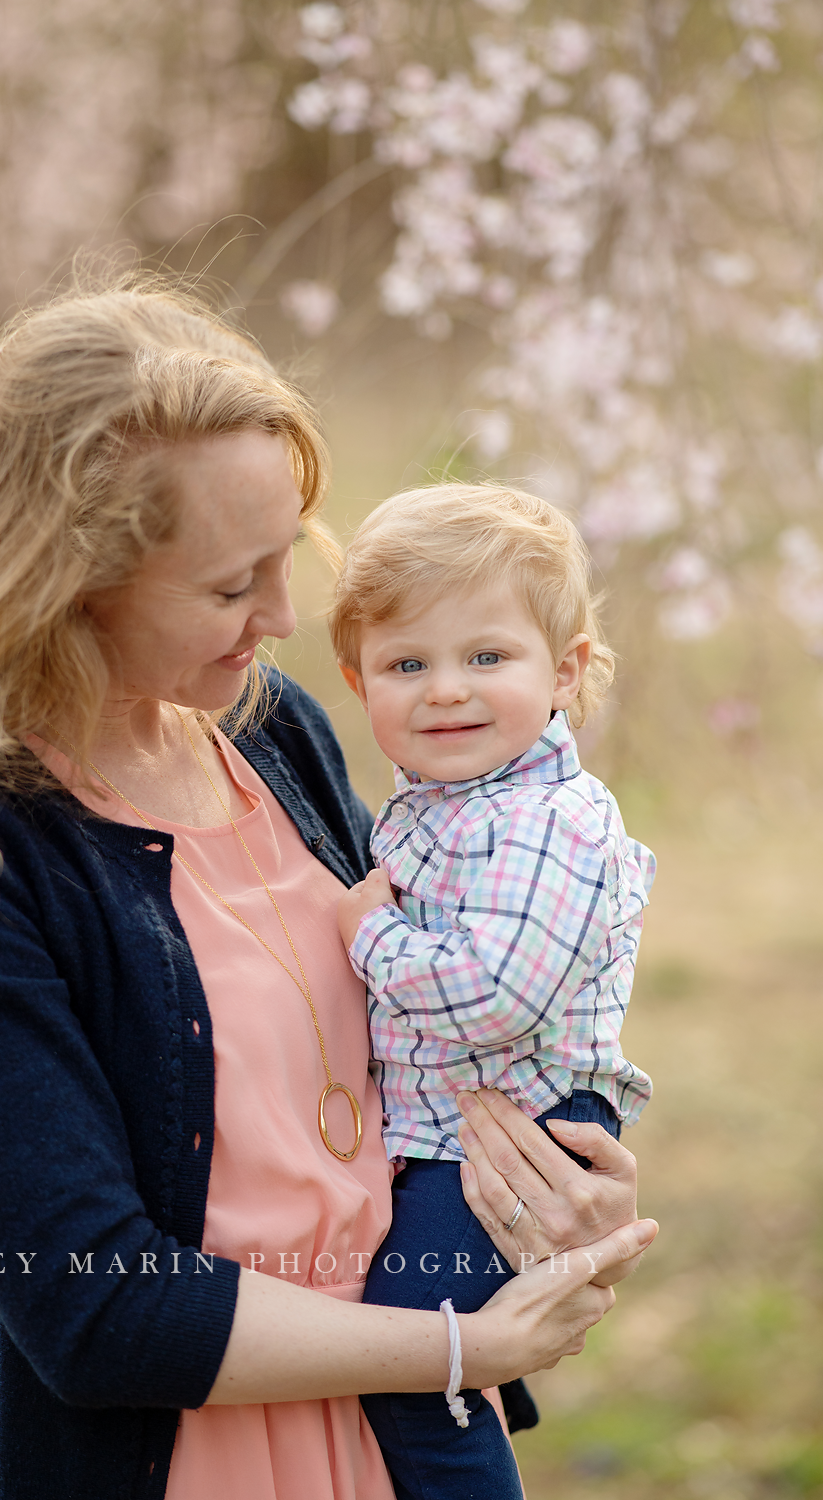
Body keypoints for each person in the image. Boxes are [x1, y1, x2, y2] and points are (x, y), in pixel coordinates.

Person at [0, 281, 656, 1500]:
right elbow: (88, 1307)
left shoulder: (272, 730)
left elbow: (419, 1030)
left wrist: (556, 1193)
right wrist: (452, 1347)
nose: (281, 616)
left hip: (407, 1440)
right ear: (70, 582)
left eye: (285, 558)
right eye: (229, 587)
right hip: (194, 1459)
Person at [332, 484, 656, 1500]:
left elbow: (493, 997)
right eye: (405, 664)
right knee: (419, 1341)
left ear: (563, 672)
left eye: (486, 657)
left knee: (416, 1358)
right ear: (357, 681)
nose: (444, 691)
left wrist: (368, 935)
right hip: (446, 1132)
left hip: (514, 1135)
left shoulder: (548, 819)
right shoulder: (442, 800)